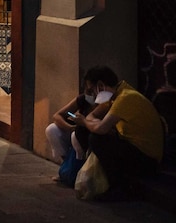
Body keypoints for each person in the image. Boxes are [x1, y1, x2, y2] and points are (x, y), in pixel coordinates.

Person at [74, 65, 163, 193]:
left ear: (100, 86)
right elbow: (91, 116)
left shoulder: (125, 97)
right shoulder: (113, 95)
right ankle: (97, 178)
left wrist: (86, 122)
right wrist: (91, 123)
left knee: (96, 138)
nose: (92, 95)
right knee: (82, 130)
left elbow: (101, 128)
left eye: (92, 90)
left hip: (147, 160)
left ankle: (119, 187)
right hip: (130, 148)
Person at [45, 80, 96, 164]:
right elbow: (57, 115)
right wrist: (69, 127)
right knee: (52, 129)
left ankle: (79, 166)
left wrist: (84, 122)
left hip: (91, 133)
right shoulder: (82, 99)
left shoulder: (104, 103)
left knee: (75, 136)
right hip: (78, 129)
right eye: (88, 91)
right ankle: (67, 166)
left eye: (92, 91)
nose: (91, 95)